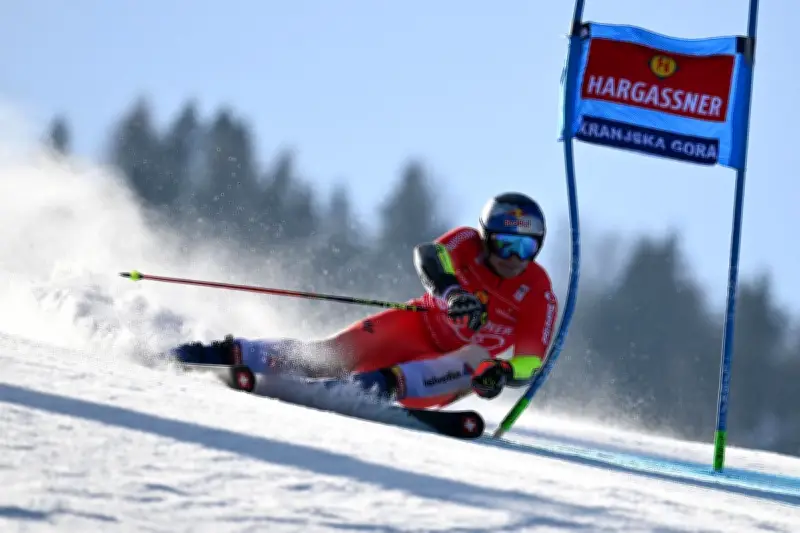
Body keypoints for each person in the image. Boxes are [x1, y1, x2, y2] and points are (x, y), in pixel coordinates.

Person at [172, 192, 558, 410]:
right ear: (485, 236)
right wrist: (451, 292)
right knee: (328, 355)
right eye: (504, 242)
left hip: (455, 368)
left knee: (469, 361)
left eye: (526, 246)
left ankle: (362, 389)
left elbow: (530, 361)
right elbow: (429, 255)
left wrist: (502, 374)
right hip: (418, 324)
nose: (513, 256)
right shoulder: (466, 242)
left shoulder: (539, 292)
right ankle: (227, 352)